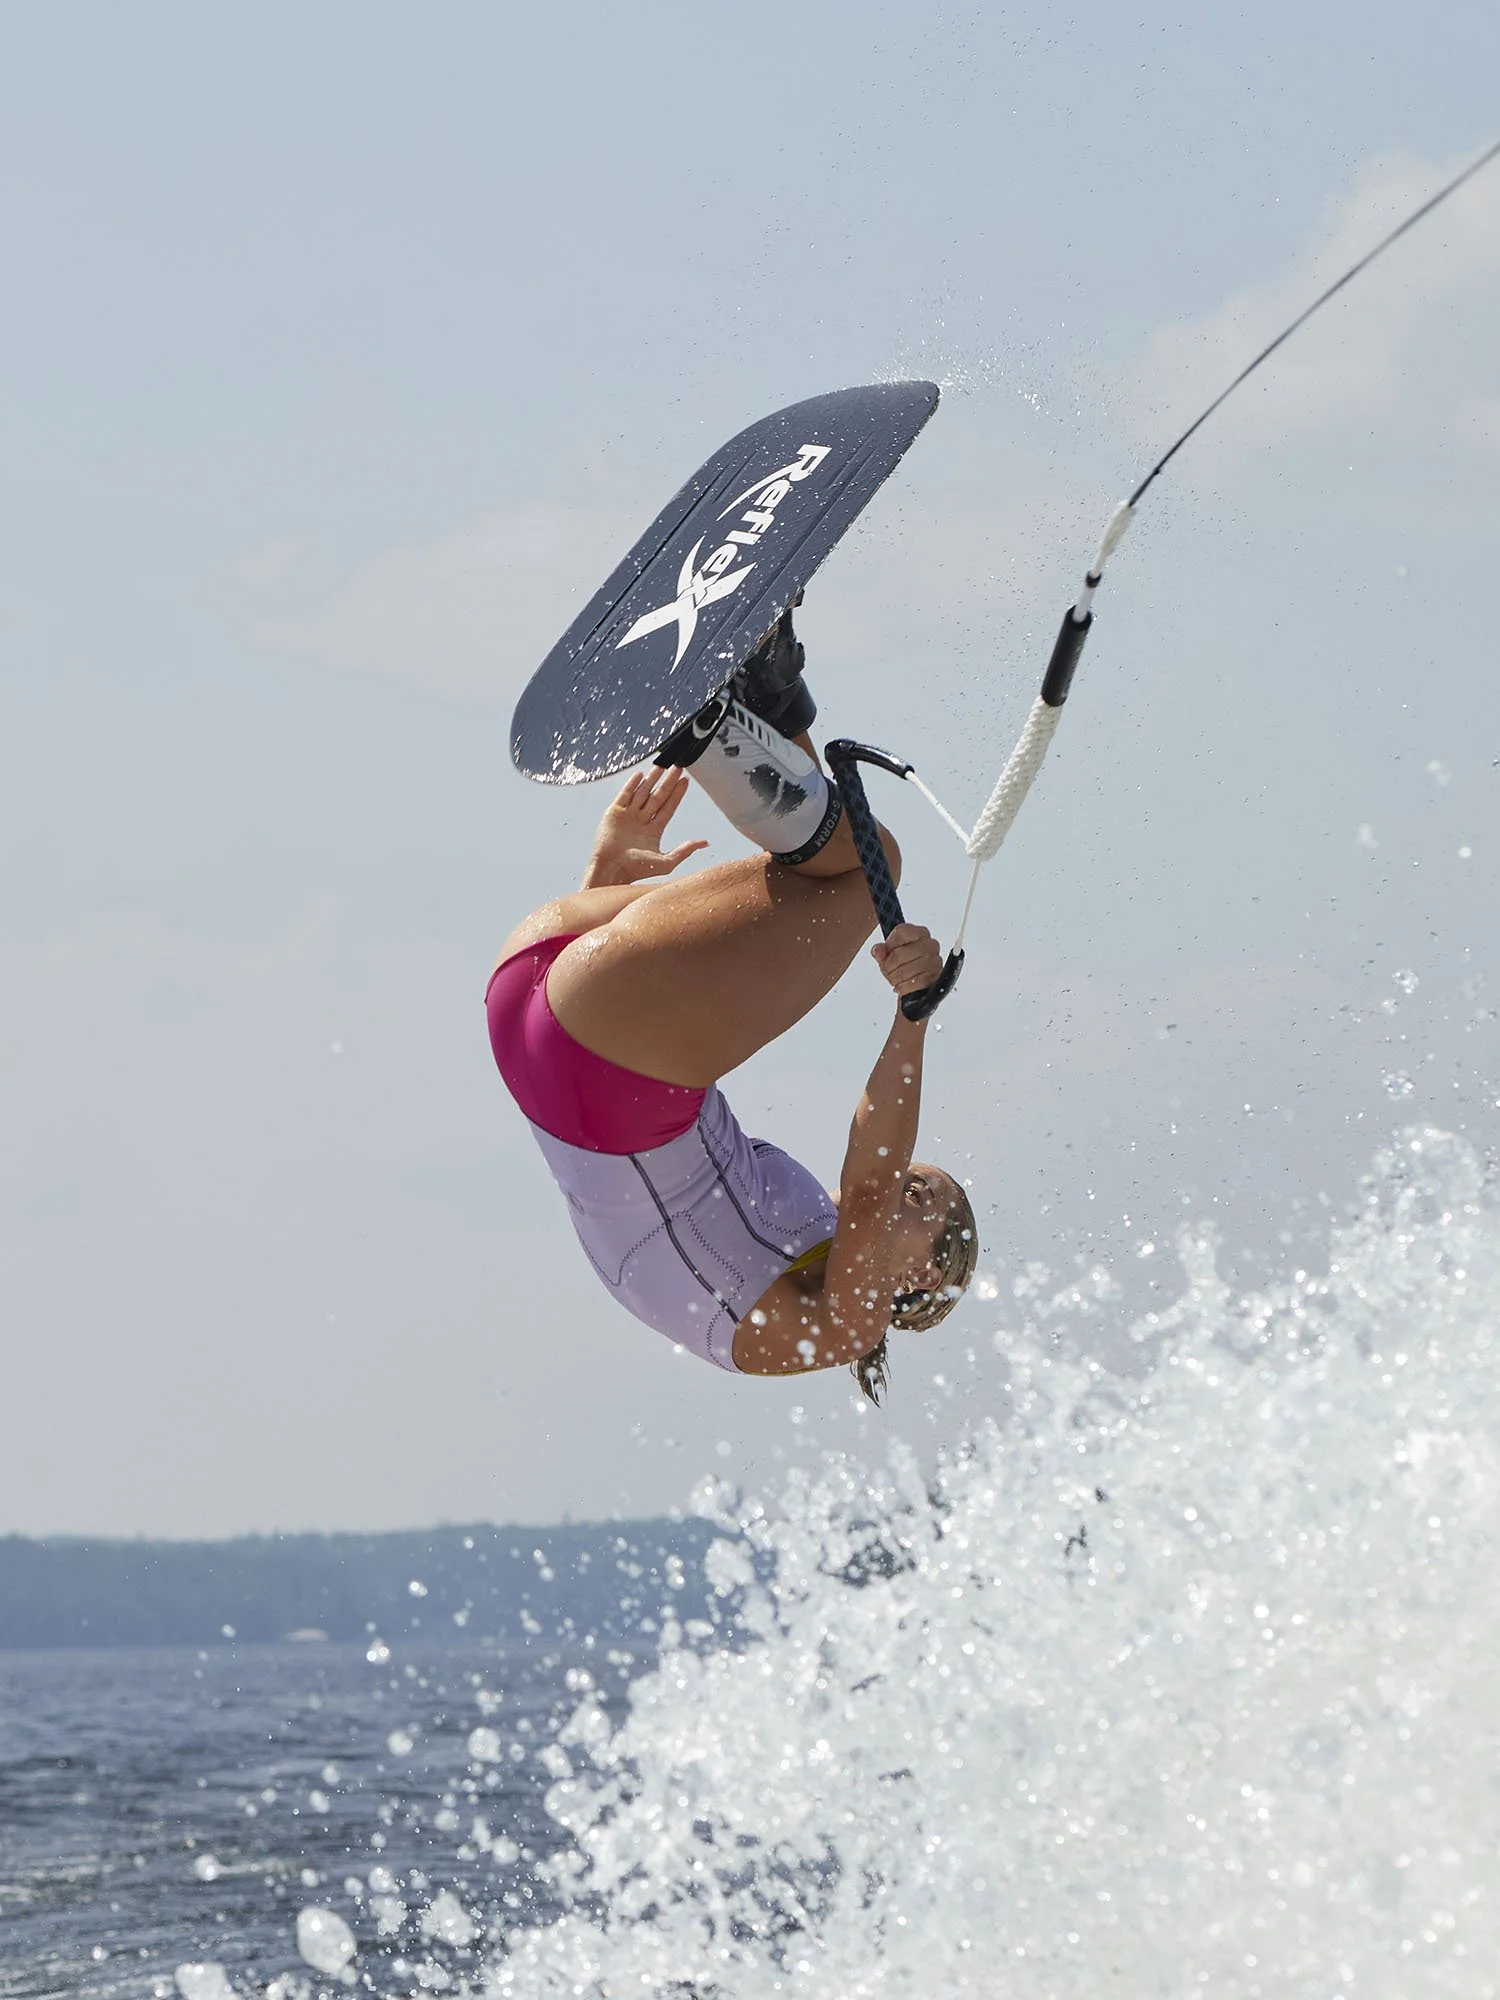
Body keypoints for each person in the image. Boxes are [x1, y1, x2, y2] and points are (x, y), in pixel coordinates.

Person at [487, 608, 977, 1400]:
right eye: (926, 1182)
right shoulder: (795, 1240)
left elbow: (869, 1186)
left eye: (933, 1210)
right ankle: (767, 696)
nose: (914, 1186)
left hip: (581, 1040)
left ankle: (730, 722)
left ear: (920, 1282)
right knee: (827, 872)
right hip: (539, 1019)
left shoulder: (845, 1327)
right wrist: (610, 881)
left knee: (867, 865)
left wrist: (912, 1017)